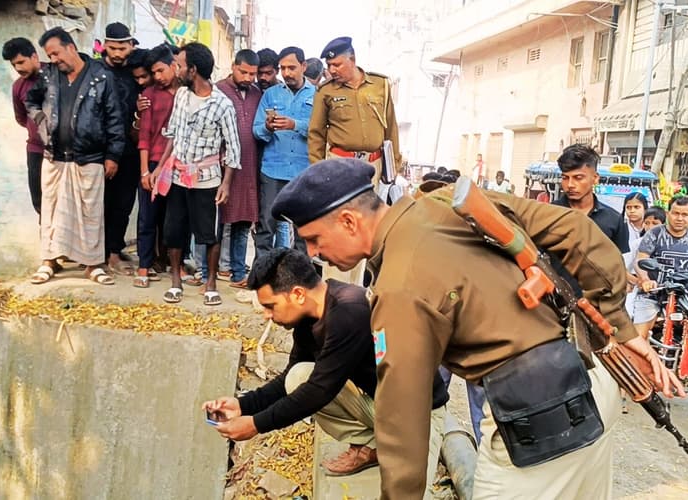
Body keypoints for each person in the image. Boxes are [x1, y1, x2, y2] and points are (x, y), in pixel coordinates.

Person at [270, 158, 684, 499]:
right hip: (594, 380)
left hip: (540, 422)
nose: (314, 253)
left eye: (313, 238)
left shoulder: (398, 288)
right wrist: (618, 327)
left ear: (348, 221)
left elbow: (402, 416)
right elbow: (578, 233)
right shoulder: (446, 200)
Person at [202, 248, 449, 478]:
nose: (266, 315)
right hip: (381, 406)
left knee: (409, 491)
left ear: (298, 294)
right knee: (298, 375)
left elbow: (319, 391)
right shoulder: (308, 317)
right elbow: (291, 379)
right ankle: (371, 446)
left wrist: (256, 424)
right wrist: (242, 406)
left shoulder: (349, 311)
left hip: (418, 418)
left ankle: (396, 447)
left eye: (270, 306)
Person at [25, 27, 124, 285]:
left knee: (90, 213)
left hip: (90, 156)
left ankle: (92, 265)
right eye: (50, 55)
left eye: (56, 53)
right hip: (54, 156)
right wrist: (41, 120)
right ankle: (49, 261)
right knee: (51, 210)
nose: (54, 59)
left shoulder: (101, 76)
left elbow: (115, 118)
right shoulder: (48, 75)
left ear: (71, 47)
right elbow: (30, 100)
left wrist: (113, 155)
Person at [150, 42, 241, 306]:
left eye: (179, 65)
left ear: (193, 70)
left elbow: (233, 147)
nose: (176, 69)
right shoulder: (181, 96)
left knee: (208, 234)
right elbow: (173, 135)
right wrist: (160, 167)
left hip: (207, 179)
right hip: (178, 176)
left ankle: (210, 283)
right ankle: (175, 282)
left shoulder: (222, 105)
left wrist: (226, 184)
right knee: (174, 231)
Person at [252, 46, 315, 261]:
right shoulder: (271, 95)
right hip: (273, 169)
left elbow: (321, 131)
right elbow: (256, 130)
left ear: (303, 66)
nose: (286, 73)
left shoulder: (317, 95)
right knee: (266, 225)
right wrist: (267, 127)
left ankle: (299, 273)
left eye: (291, 68)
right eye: (283, 68)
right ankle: (262, 272)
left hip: (303, 172)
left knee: (303, 229)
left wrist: (294, 124)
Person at [308, 36, 401, 178]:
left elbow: (391, 128)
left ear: (352, 59)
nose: (332, 70)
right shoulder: (325, 91)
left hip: (374, 165)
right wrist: (319, 171)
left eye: (337, 65)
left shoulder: (380, 85)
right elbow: (316, 134)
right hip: (339, 165)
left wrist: (395, 165)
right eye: (329, 65)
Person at [133, 45, 180, 288]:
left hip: (179, 164)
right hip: (153, 162)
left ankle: (176, 265)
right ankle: (144, 265)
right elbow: (144, 135)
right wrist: (145, 171)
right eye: (154, 73)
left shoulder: (186, 92)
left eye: (161, 70)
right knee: (147, 217)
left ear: (173, 65)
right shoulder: (149, 95)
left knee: (175, 218)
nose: (158, 76)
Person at [216, 49, 263, 289]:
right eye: (243, 72)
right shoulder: (218, 90)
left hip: (249, 165)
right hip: (222, 167)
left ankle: (237, 271)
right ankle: (215, 268)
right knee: (222, 220)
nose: (247, 78)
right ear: (233, 66)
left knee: (244, 220)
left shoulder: (257, 94)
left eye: (252, 74)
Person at [102, 22, 141, 276]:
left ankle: (115, 251)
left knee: (123, 204)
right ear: (105, 45)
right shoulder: (96, 71)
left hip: (132, 150)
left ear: (131, 46)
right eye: (113, 48)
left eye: (122, 48)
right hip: (102, 151)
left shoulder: (136, 72)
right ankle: (101, 253)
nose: (117, 54)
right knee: (101, 204)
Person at [552, 145, 629, 253]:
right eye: (565, 178)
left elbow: (621, 259)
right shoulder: (550, 213)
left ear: (595, 178)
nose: (570, 185)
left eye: (578, 178)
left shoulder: (614, 220)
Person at [633, 196, 688, 339]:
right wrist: (645, 280)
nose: (680, 218)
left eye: (685, 214)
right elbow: (641, 259)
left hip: (684, 296)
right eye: (676, 213)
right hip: (654, 293)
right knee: (639, 335)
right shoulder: (655, 233)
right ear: (668, 213)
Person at [2, 37, 45, 217]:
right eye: (14, 65)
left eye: (21, 62)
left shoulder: (55, 76)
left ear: (34, 56)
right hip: (36, 150)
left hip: (63, 152)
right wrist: (36, 131)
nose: (18, 68)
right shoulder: (18, 86)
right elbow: (21, 118)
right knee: (39, 202)